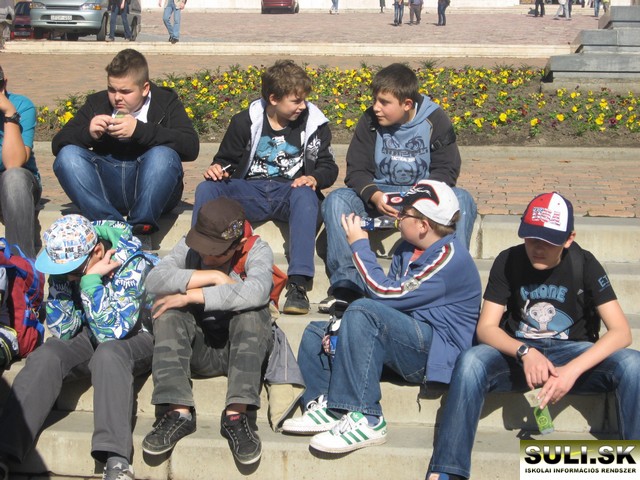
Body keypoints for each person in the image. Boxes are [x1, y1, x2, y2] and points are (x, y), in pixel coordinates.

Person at [426, 192, 640, 480]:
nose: (538, 248)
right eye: (531, 238)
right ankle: (447, 471)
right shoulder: (508, 260)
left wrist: (571, 371)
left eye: (548, 241)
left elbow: (621, 332)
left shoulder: (585, 263)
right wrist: (524, 352)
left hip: (573, 353)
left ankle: (634, 467)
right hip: (518, 354)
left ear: (569, 239)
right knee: (471, 361)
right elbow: (486, 327)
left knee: (633, 365)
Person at [282, 180, 482, 454]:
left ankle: (367, 417)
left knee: (363, 311)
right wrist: (344, 331)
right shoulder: (406, 249)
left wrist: (360, 245)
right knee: (318, 331)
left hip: (434, 352)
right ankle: (330, 408)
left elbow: (384, 294)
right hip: (407, 338)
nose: (397, 216)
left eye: (405, 213)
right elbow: (391, 305)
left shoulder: (449, 257)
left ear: (424, 225)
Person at [0, 214, 156, 480]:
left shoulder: (133, 263)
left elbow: (112, 333)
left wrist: (90, 281)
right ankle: (4, 449)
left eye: (73, 271)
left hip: (136, 334)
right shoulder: (67, 270)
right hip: (92, 330)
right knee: (48, 354)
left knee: (108, 354)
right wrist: (62, 282)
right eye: (63, 272)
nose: (69, 277)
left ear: (97, 252)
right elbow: (64, 330)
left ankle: (116, 459)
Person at [319, 63, 476, 313]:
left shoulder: (435, 120)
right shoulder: (369, 121)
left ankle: (452, 275)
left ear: (407, 104)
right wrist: (374, 194)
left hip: (421, 197)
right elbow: (356, 170)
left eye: (384, 102)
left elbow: (446, 171)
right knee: (336, 200)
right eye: (375, 100)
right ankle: (347, 286)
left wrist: (414, 202)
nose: (376, 107)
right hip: (380, 193)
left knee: (462, 200)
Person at [192, 60, 338, 316]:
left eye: (304, 100)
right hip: (250, 191)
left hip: (291, 192)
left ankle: (298, 284)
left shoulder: (315, 124)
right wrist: (218, 169)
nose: (302, 106)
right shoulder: (244, 121)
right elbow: (225, 160)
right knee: (207, 189)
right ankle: (197, 264)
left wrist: (315, 178)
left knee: (306, 194)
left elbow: (329, 166)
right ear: (273, 99)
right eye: (296, 101)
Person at [141, 198, 275, 466]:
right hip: (198, 348)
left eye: (215, 253)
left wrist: (195, 295)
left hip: (242, 350)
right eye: (203, 249)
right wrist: (212, 278)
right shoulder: (190, 246)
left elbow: (258, 292)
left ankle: (236, 415)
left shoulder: (257, 249)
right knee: (168, 309)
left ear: (237, 245)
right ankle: (178, 412)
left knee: (252, 313)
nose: (206, 257)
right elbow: (154, 279)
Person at [51, 49, 199, 248]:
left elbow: (191, 146)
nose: (117, 97)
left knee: (163, 155)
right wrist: (88, 133)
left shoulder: (165, 102)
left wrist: (140, 130)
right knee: (67, 156)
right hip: (108, 184)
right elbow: (58, 144)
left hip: (153, 189)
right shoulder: (97, 103)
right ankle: (113, 228)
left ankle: (140, 230)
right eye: (112, 89)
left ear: (145, 88)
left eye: (125, 91)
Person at [0, 65, 41, 258]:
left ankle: (21, 266)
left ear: (4, 84)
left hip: (19, 185)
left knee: (14, 177)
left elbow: (14, 162)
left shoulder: (21, 105)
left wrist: (10, 113)